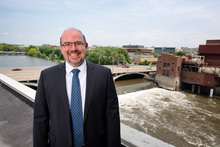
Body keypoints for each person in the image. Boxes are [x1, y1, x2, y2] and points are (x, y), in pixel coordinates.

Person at [33, 28, 121, 147]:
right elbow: (40, 120)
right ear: (61, 48)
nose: (73, 48)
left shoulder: (104, 75)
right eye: (67, 44)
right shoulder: (47, 76)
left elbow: (112, 118)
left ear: (86, 46)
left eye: (78, 43)